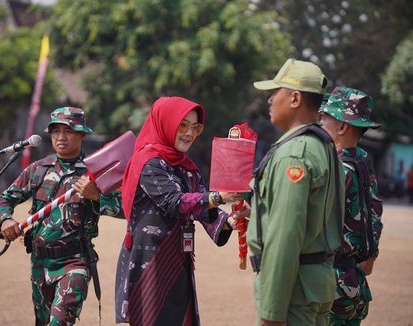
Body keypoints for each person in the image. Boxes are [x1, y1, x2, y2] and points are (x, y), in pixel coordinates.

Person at [114, 96, 246, 325]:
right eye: (182, 125)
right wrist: (218, 197)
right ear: (165, 123)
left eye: (196, 127)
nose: (189, 133)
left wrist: (230, 222)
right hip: (151, 261)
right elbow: (174, 201)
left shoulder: (187, 167)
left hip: (178, 260)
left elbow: (203, 210)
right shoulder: (149, 161)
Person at [0, 107, 122, 325]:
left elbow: (126, 209)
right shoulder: (38, 169)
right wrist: (5, 219)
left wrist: (97, 196)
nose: (61, 137)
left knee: (59, 322)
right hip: (39, 263)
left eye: (68, 131)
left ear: (82, 134)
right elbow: (4, 200)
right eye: (55, 131)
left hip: (74, 262)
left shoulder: (95, 173)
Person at [246, 58, 345, 326]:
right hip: (315, 283)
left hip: (294, 293)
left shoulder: (294, 153)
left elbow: (286, 235)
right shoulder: (324, 146)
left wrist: (272, 312)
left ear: (294, 99)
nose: (269, 100)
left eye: (275, 91)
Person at [319, 87, 384, 325]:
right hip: (354, 280)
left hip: (331, 281)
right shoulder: (363, 160)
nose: (320, 122)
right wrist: (371, 253)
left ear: (343, 126)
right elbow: (375, 213)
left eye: (325, 118)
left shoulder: (337, 168)